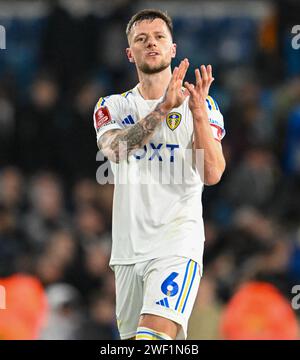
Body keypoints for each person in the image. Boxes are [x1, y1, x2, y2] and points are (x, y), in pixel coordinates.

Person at [93, 9, 226, 340]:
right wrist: (162, 109)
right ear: (130, 53)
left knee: (151, 339)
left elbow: (212, 174)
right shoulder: (111, 106)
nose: (150, 43)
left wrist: (195, 115)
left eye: (158, 38)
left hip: (176, 243)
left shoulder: (203, 106)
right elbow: (117, 150)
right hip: (127, 250)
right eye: (141, 39)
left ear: (172, 49)